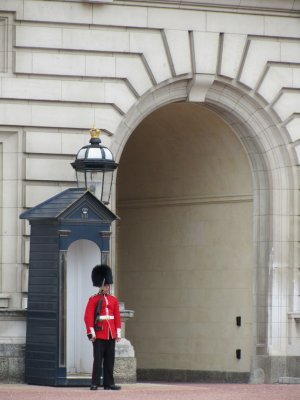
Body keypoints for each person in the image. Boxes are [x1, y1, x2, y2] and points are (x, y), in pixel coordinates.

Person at [84, 264, 122, 390]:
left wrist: (118, 333)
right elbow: (88, 317)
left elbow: (117, 317)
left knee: (110, 361)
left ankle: (109, 383)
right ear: (100, 285)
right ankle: (94, 382)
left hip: (110, 334)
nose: (107, 287)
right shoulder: (93, 299)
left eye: (108, 285)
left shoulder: (113, 300)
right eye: (105, 285)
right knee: (98, 360)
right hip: (99, 334)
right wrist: (91, 333)